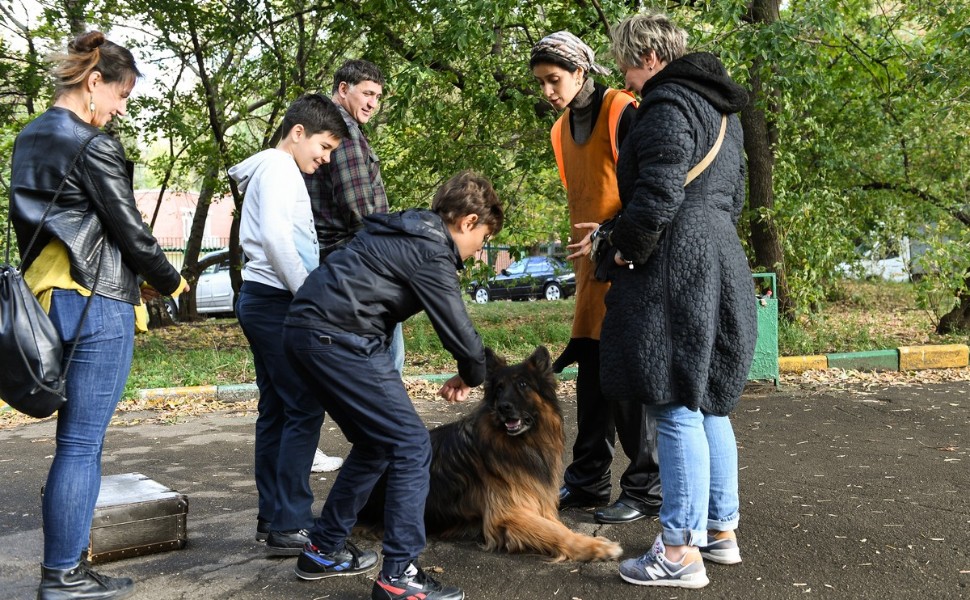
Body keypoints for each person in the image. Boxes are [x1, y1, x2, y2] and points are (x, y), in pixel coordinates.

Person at [9, 30, 189, 600]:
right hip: (97, 302)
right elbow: (130, 231)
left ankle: (68, 567)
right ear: (93, 83)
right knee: (81, 445)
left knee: (73, 443)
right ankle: (63, 572)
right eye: (121, 95)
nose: (119, 109)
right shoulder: (91, 143)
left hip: (45, 300)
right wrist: (171, 280)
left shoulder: (29, 137)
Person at [282, 171, 503, 600]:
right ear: (468, 222)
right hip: (339, 336)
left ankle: (323, 549)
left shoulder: (405, 230)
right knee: (410, 445)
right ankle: (399, 575)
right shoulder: (431, 249)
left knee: (378, 443)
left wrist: (467, 369)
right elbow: (459, 332)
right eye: (483, 241)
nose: (479, 253)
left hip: (308, 332)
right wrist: (473, 374)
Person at [600, 12, 757, 588]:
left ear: (644, 55)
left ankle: (678, 552)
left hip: (677, 260)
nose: (623, 74)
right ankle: (719, 531)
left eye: (623, 62)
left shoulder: (666, 104)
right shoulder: (721, 111)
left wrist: (623, 248)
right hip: (720, 250)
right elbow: (732, 197)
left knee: (671, 398)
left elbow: (658, 192)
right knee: (708, 396)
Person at [529, 31, 663, 524]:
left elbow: (651, 192)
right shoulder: (560, 130)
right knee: (592, 374)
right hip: (590, 269)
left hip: (629, 262)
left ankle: (646, 488)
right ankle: (587, 482)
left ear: (580, 71)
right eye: (541, 82)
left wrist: (610, 236)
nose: (547, 91)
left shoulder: (622, 110)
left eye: (554, 80)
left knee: (626, 379)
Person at [228, 94, 350, 556]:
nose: (326, 157)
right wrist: (309, 295)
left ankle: (275, 515)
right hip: (275, 301)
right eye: (323, 146)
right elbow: (278, 239)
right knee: (303, 407)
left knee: (278, 409)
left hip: (263, 299)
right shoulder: (280, 170)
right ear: (297, 133)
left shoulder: (275, 170)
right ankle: (291, 523)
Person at [303, 58, 406, 375]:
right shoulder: (344, 132)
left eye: (378, 96)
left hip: (343, 260)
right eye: (367, 94)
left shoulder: (324, 127)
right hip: (360, 262)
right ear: (343, 89)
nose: (373, 103)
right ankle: (387, 425)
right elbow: (359, 209)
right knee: (387, 365)